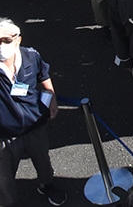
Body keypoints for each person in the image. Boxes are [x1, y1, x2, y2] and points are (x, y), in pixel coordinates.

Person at [0, 17, 65, 207]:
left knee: (43, 160)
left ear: (18, 40)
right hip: (5, 135)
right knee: (4, 177)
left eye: (6, 40)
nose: (2, 45)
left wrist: (51, 96)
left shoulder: (30, 56)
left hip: (35, 125)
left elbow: (43, 74)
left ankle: (46, 184)